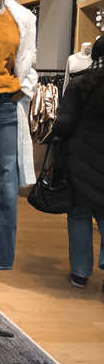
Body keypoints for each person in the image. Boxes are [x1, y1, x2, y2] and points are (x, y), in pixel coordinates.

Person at [52, 36, 104, 290]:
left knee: (79, 214)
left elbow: (64, 123)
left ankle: (81, 272)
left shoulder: (80, 83)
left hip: (81, 158)